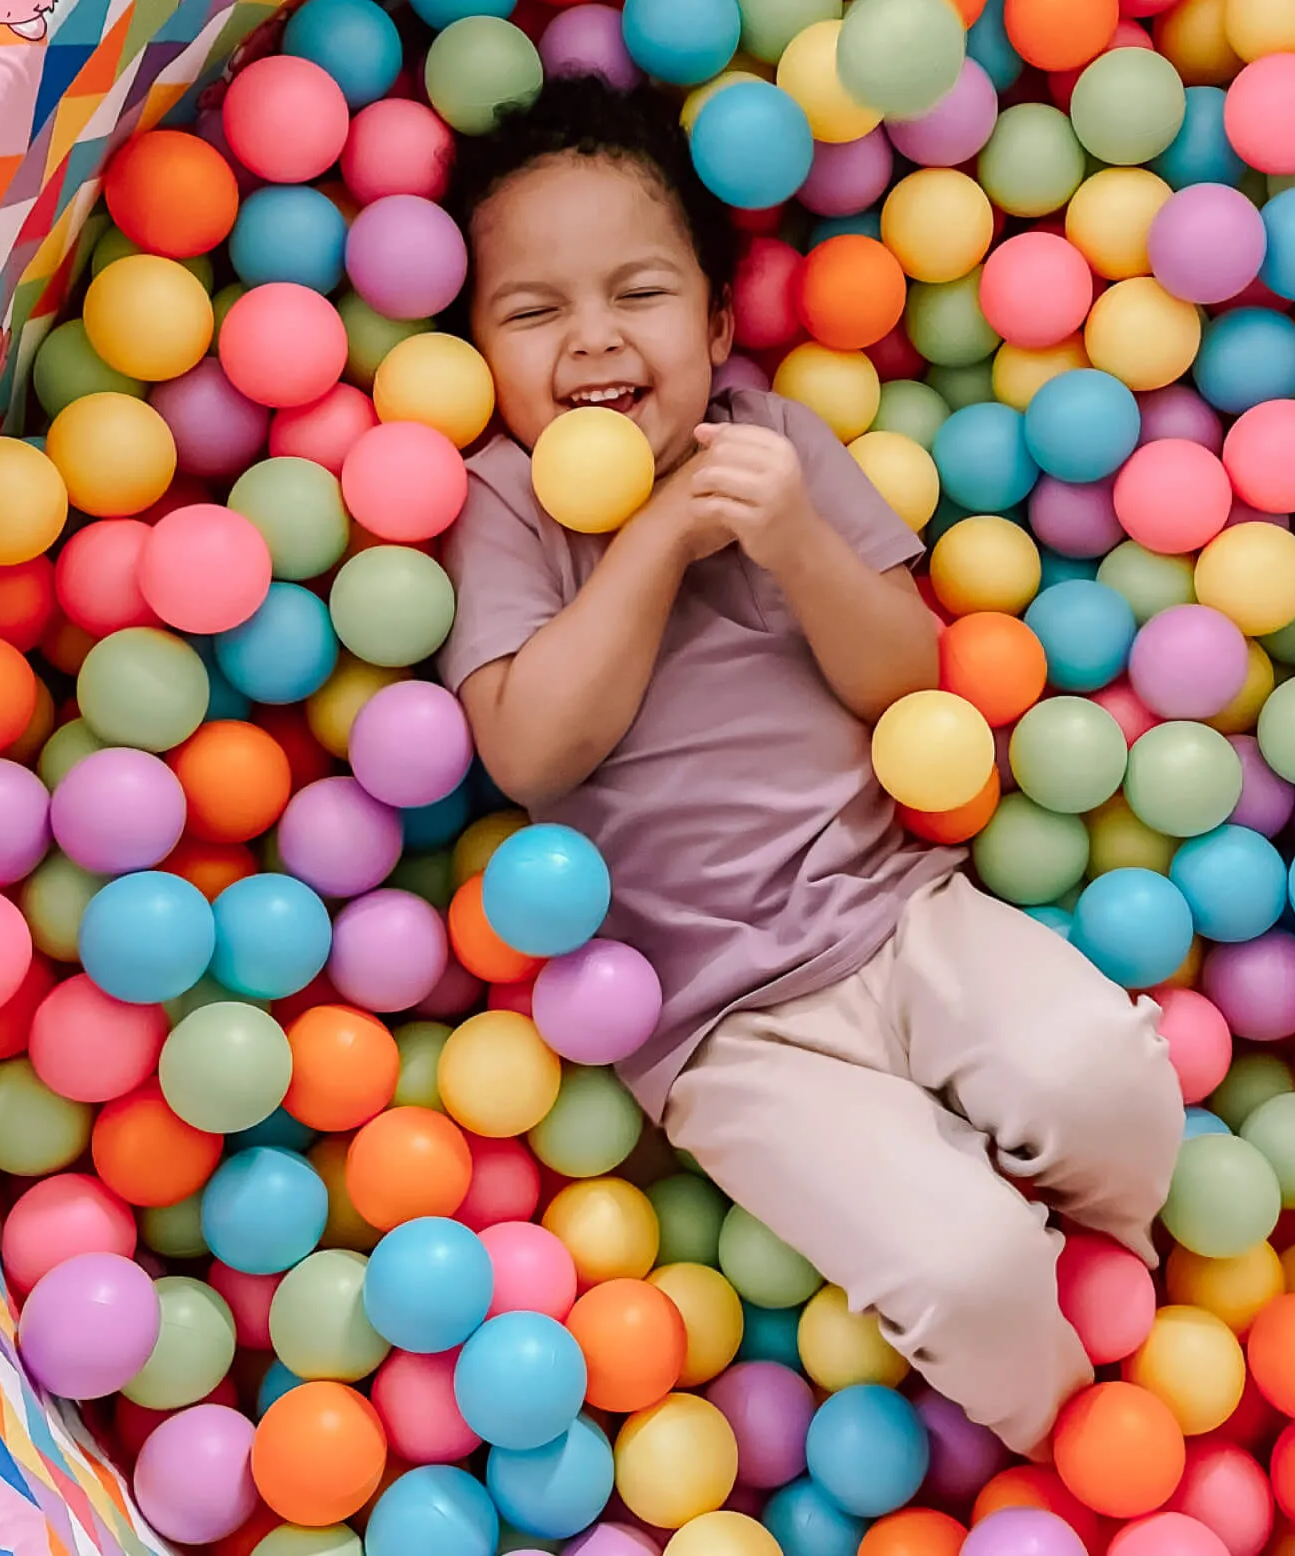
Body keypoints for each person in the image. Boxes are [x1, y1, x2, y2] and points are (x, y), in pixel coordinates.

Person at [438, 73, 1182, 1454]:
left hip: (904, 910)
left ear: (718, 324)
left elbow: (907, 683)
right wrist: (653, 538)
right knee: (965, 1269)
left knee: (1104, 1074)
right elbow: (535, 750)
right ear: (478, 351)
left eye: (638, 294)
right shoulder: (498, 501)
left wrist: (792, 542)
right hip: (722, 1025)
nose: (591, 339)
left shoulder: (777, 443)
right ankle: (1076, 1443)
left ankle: (1129, 1256)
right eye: (532, 312)